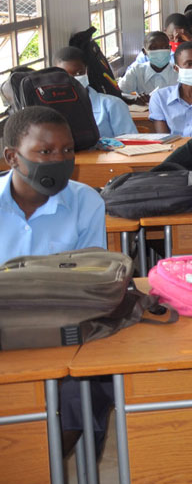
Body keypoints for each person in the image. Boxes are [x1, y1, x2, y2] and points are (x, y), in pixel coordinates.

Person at [0, 107, 112, 458]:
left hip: (61, 333)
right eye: (45, 152)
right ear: (11, 157)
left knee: (76, 393)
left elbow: (91, 286)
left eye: (67, 150)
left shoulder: (85, 202)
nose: (59, 160)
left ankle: (47, 466)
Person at [53, 47, 134, 138]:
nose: (74, 79)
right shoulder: (52, 108)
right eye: (66, 75)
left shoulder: (112, 104)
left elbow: (131, 142)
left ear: (87, 71)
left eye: (79, 73)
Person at [119, 31, 176, 105]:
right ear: (144, 51)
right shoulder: (136, 71)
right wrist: (134, 99)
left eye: (164, 47)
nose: (159, 51)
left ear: (170, 49)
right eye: (153, 48)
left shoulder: (180, 72)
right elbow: (119, 93)